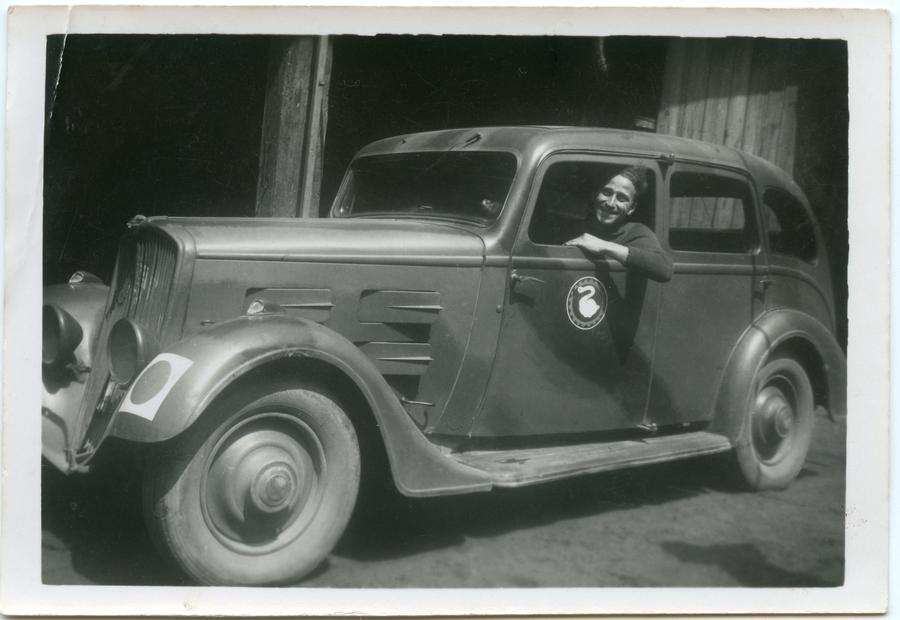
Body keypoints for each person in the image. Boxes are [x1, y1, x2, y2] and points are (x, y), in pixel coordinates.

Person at [564, 165, 673, 283]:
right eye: (606, 192)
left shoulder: (635, 232)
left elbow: (665, 269)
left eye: (621, 198)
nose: (610, 203)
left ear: (631, 208)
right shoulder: (573, 227)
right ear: (595, 194)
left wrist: (604, 246)